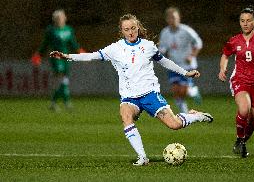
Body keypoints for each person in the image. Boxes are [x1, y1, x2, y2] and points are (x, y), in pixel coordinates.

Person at [50, 14, 213, 166]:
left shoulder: (148, 46)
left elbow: (165, 62)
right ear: (121, 31)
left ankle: (194, 116)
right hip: (130, 97)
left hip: (150, 94)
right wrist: (67, 56)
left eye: (133, 28)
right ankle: (142, 157)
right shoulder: (115, 49)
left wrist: (185, 72)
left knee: (175, 125)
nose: (130, 32)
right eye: (126, 29)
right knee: (125, 115)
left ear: (138, 28)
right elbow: (91, 55)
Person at [218, 6, 254, 158]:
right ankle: (239, 140)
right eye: (242, 21)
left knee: (250, 120)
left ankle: (243, 140)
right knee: (244, 109)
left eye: (249, 21)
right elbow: (225, 55)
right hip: (240, 79)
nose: (245, 23)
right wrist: (222, 69)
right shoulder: (234, 40)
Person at [32, 9, 85, 111]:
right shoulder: (51, 30)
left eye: (61, 18)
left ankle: (54, 102)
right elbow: (45, 44)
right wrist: (38, 55)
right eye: (57, 18)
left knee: (64, 80)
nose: (59, 20)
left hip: (66, 57)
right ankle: (66, 102)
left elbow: (73, 43)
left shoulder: (69, 30)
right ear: (54, 20)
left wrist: (81, 52)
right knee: (61, 77)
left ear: (65, 18)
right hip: (56, 57)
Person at [159, 7, 203, 114]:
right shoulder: (165, 32)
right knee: (175, 90)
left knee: (183, 90)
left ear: (179, 18)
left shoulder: (186, 30)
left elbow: (198, 43)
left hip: (187, 65)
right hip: (173, 64)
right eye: (170, 18)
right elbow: (162, 47)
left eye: (174, 18)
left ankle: (193, 91)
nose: (172, 20)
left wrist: (191, 56)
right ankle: (184, 113)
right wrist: (163, 52)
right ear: (167, 19)